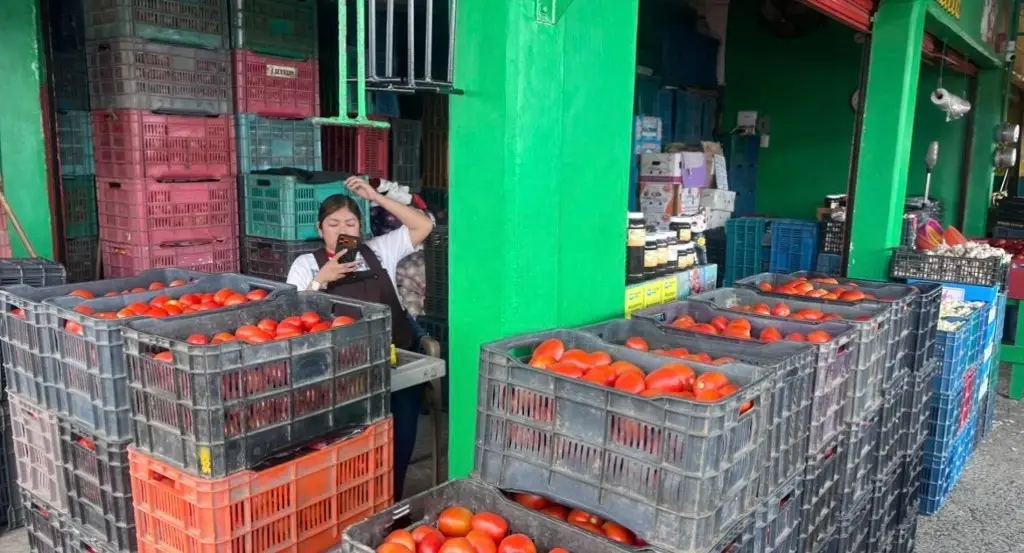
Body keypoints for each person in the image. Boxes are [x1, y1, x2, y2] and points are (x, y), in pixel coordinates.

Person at [286, 176, 434, 500]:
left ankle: (391, 506)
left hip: (396, 365)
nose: (343, 229)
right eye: (333, 222)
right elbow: (294, 321)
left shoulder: (379, 251)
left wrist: (374, 196)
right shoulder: (306, 264)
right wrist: (320, 281)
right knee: (354, 450)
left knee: (400, 442)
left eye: (351, 222)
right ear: (320, 227)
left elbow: (422, 225)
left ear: (360, 228)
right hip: (341, 376)